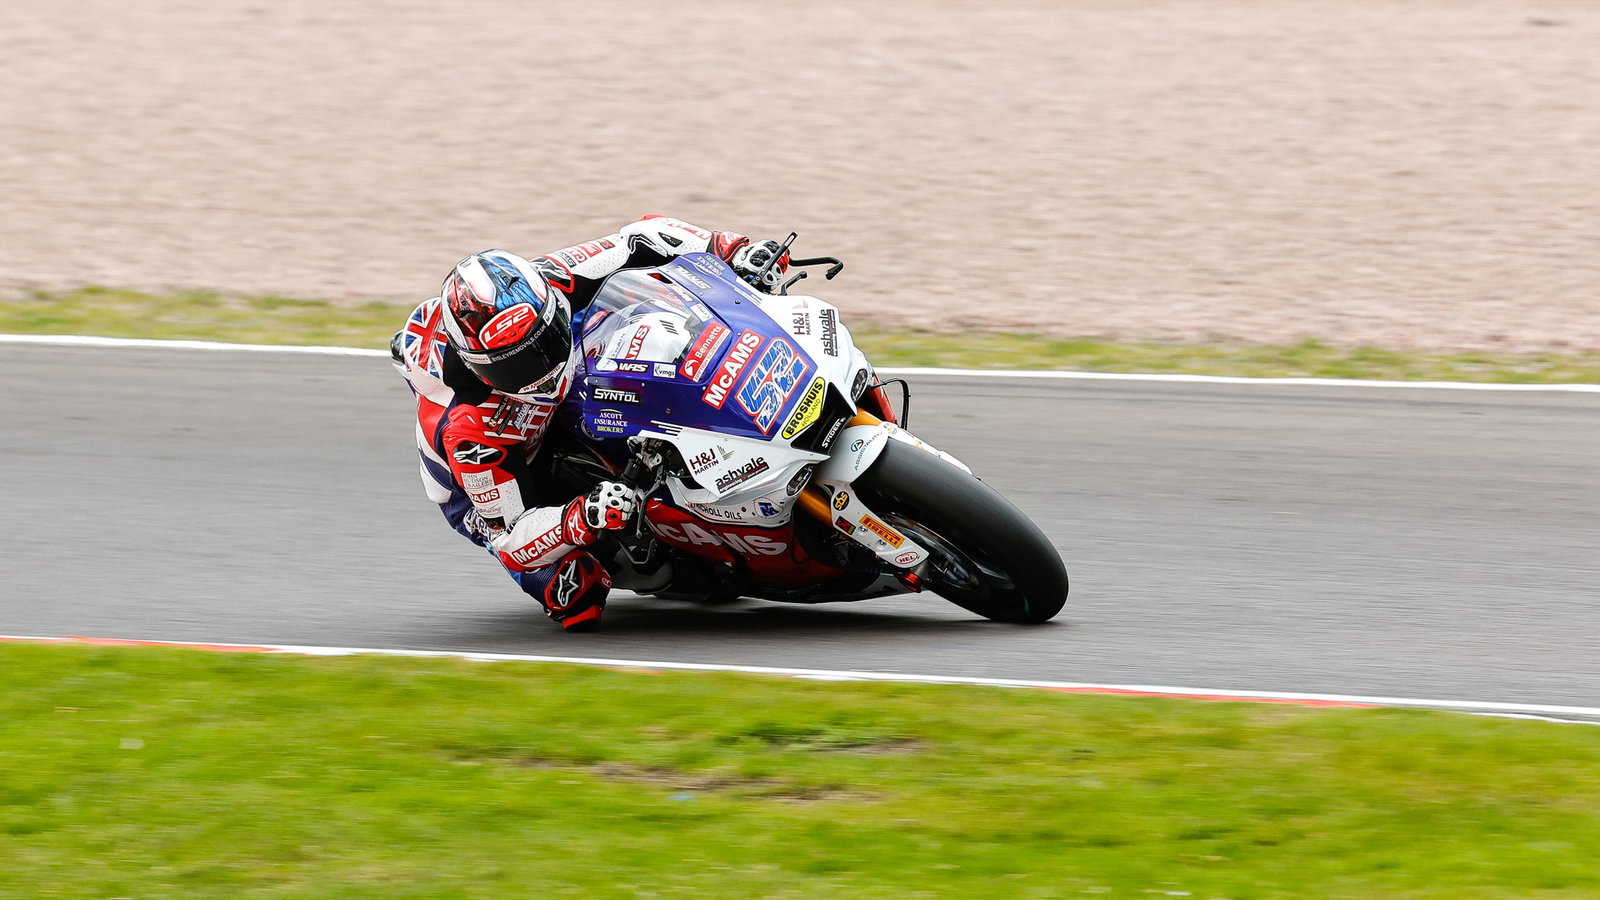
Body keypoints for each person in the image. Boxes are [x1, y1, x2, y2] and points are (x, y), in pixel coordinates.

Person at [391, 216, 790, 631]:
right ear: (480, 368)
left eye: (544, 343)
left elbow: (646, 236)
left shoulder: (555, 277)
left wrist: (730, 250)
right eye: (517, 365)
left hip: (572, 396)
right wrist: (582, 516)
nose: (541, 369)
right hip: (502, 475)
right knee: (577, 597)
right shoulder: (468, 428)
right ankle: (658, 557)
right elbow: (513, 539)